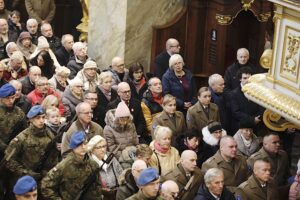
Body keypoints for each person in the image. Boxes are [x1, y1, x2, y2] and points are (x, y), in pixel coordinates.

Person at [5, 105, 59, 185]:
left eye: (43, 117)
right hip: (25, 179)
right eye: (38, 118)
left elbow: (53, 156)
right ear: (31, 120)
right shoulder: (22, 138)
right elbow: (9, 160)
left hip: (45, 178)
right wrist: (25, 172)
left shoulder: (50, 134)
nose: (41, 121)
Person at [41, 131, 103, 200]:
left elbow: (98, 187)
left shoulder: (93, 164)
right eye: (79, 145)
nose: (83, 147)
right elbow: (46, 185)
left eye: (85, 143)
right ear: (73, 147)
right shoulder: (64, 165)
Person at [230, 66, 265, 133]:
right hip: (241, 127)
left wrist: (257, 119)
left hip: (256, 126)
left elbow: (262, 108)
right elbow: (236, 112)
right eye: (245, 78)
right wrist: (252, 119)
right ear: (240, 79)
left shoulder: (258, 92)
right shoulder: (234, 94)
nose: (248, 80)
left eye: (250, 78)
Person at [87, 135, 123, 200]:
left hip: (116, 193)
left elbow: (121, 174)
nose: (103, 149)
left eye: (104, 146)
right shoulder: (89, 163)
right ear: (92, 149)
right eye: (99, 147)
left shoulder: (111, 158)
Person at [0, 83, 27, 160]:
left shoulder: (19, 112)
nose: (11, 101)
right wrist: (6, 148)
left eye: (13, 97)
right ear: (1, 98)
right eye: (8, 98)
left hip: (13, 151)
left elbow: (25, 132)